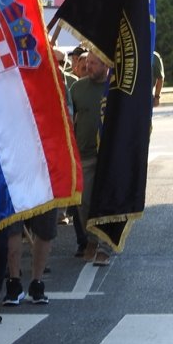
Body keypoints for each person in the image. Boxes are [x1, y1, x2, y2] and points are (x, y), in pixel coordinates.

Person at [70, 52, 112, 266]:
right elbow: (69, 119)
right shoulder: (77, 89)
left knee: (106, 202)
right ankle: (91, 240)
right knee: (84, 203)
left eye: (93, 63)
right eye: (87, 62)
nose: (88, 66)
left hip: (108, 157)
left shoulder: (114, 89)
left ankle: (104, 245)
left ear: (106, 65)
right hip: (84, 155)